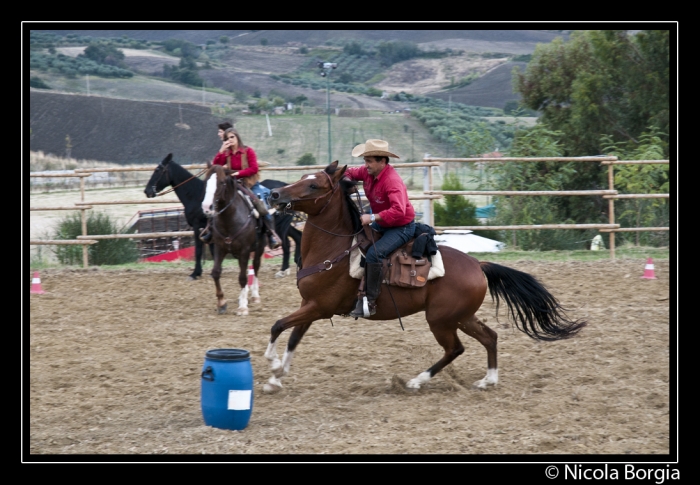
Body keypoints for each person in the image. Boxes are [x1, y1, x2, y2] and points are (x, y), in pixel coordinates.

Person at [343, 139, 416, 318]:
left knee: (375, 254)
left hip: (401, 227)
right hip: (383, 223)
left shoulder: (392, 181)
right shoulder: (367, 172)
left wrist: (372, 217)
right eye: (365, 160)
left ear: (382, 161)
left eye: (369, 161)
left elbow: (399, 211)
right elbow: (348, 172)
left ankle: (370, 301)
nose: (365, 164)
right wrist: (347, 183)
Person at [204, 127, 280, 249]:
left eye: (232, 137)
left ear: (237, 137)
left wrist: (238, 174)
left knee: (260, 206)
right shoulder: (226, 153)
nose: (230, 140)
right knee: (216, 202)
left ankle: (271, 235)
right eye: (227, 138)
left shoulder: (248, 151)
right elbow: (215, 167)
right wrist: (221, 150)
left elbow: (254, 168)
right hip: (231, 185)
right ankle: (210, 231)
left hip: (248, 184)